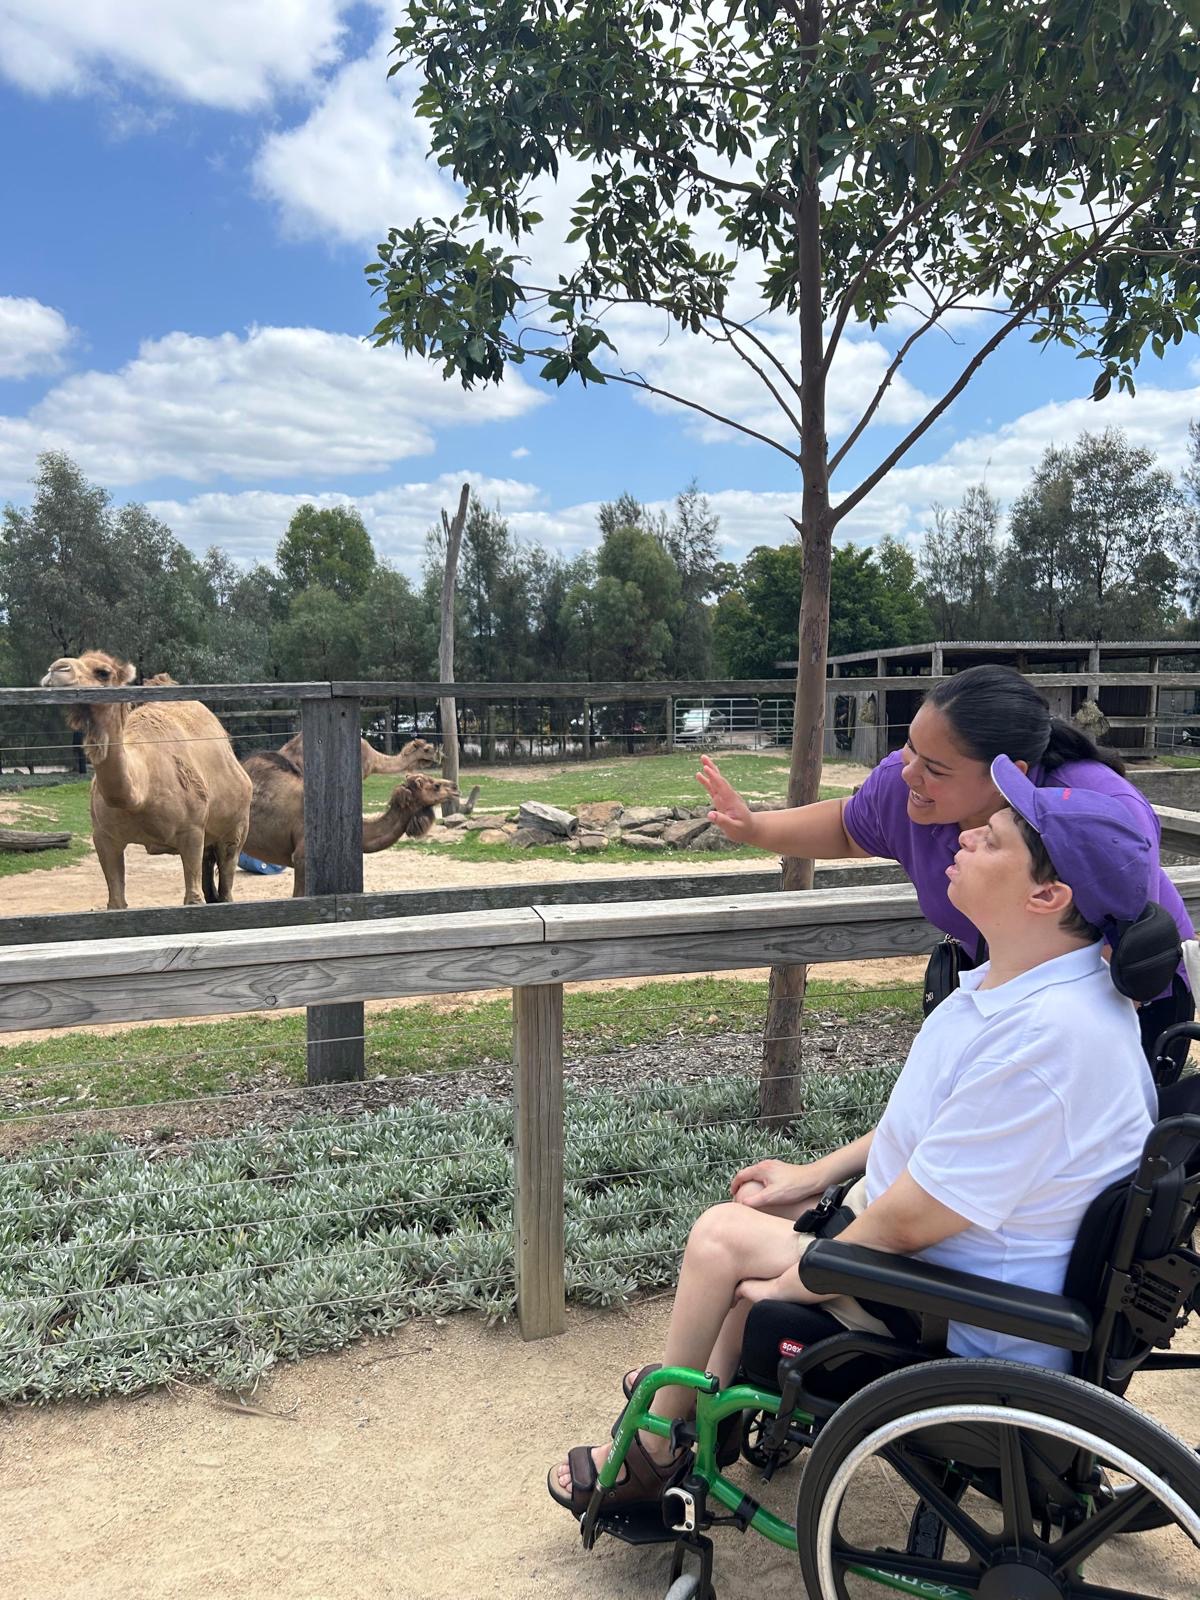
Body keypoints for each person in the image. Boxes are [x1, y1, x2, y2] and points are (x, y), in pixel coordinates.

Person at [549, 759, 1159, 1512]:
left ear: (1048, 894)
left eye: (993, 838)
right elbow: (930, 1131)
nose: (964, 836)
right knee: (762, 1209)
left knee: (720, 1239)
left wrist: (799, 1278)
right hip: (968, 1266)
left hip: (966, 1318)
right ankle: (703, 1407)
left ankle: (647, 1454)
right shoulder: (1050, 995)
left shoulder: (1044, 1043)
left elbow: (908, 1221)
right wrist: (809, 1177)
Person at [698, 664, 1193, 1063]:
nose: (907, 772)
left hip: (1116, 1000)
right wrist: (755, 827)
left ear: (1009, 776)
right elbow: (850, 828)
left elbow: (1127, 947)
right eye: (910, 746)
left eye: (934, 768)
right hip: (1000, 989)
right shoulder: (907, 783)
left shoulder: (1093, 812)